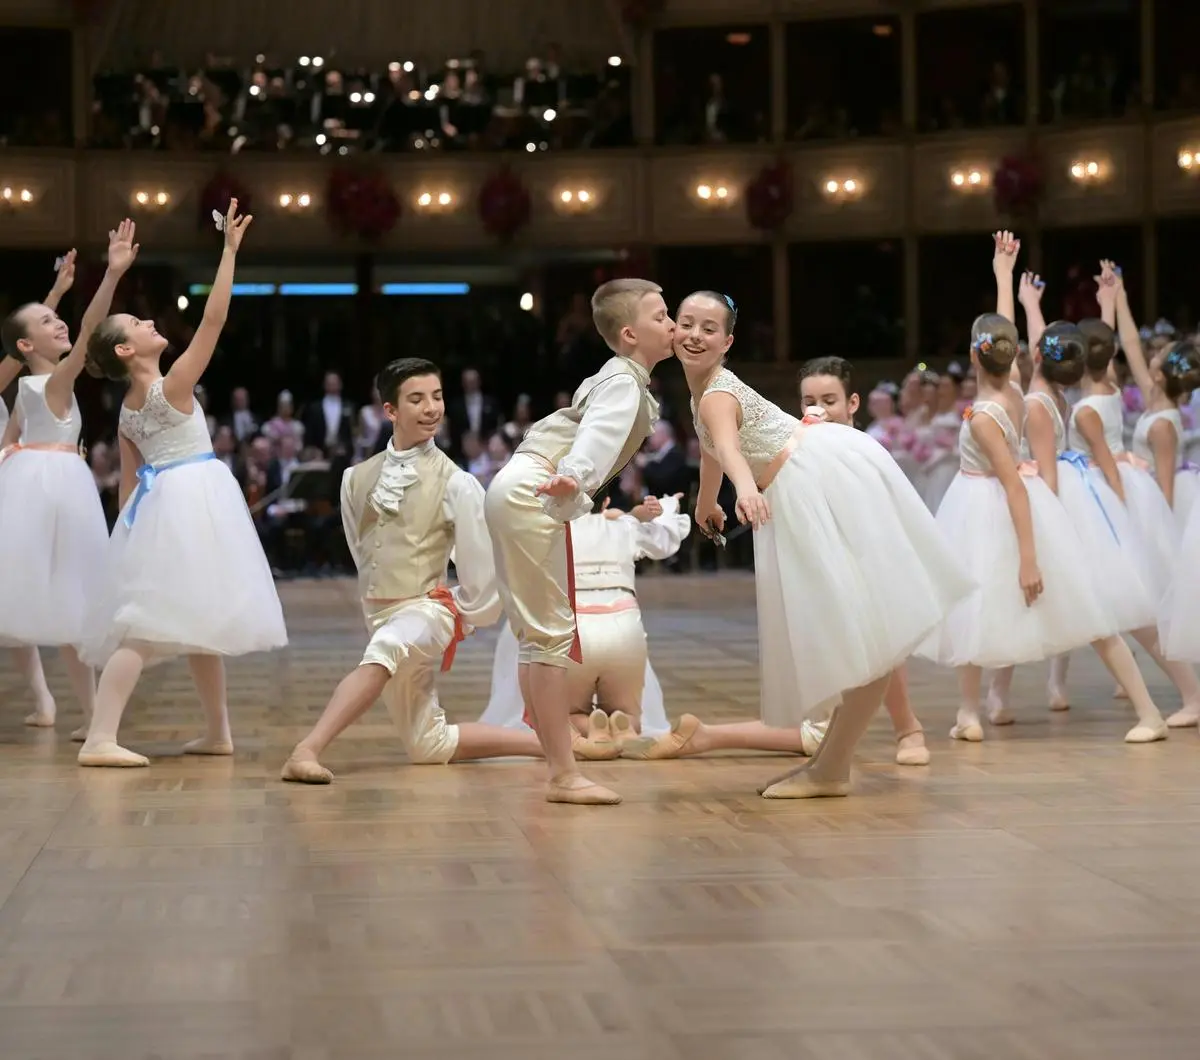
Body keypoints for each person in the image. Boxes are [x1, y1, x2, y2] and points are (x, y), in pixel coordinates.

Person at [680, 290, 972, 799]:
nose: (695, 335)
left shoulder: (714, 393)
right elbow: (712, 447)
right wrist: (708, 501)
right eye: (687, 323)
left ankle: (835, 765)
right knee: (857, 629)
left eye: (709, 328)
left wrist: (744, 488)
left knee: (858, 627)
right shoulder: (703, 393)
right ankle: (832, 764)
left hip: (809, 480)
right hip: (807, 478)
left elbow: (724, 442)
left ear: (727, 342)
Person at [77, 199, 287, 767]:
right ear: (126, 350)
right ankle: (100, 737)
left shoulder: (126, 410)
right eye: (138, 326)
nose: (150, 324)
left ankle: (218, 730)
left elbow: (126, 486)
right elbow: (214, 321)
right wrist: (228, 254)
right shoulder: (171, 387)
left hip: (163, 506)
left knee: (198, 620)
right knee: (146, 625)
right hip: (190, 500)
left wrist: (124, 541)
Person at [281, 358, 558, 783]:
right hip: (379, 610)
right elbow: (363, 550)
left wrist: (458, 613)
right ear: (390, 410)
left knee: (386, 648)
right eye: (417, 399)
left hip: (427, 610)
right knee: (427, 744)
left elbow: (480, 569)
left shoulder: (456, 482)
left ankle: (307, 749)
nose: (431, 407)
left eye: (437, 396)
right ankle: (550, 743)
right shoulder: (356, 478)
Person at [483, 278, 675, 805]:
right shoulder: (625, 383)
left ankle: (560, 765)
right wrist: (574, 477)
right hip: (537, 488)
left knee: (536, 638)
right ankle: (564, 775)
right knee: (549, 639)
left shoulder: (617, 376)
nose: (673, 324)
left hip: (521, 484)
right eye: (662, 316)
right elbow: (597, 438)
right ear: (631, 333)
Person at [0, 229, 138, 736]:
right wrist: (114, 273)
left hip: (35, 485)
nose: (57, 323)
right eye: (46, 321)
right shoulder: (53, 382)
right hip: (55, 491)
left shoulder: (29, 388)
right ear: (25, 345)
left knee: (64, 606)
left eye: (55, 316)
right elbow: (90, 331)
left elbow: (8, 445)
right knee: (74, 604)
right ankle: (93, 715)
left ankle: (88, 713)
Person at [795, 356, 930, 766]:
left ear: (852, 403)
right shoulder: (801, 447)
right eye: (809, 400)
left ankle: (908, 726)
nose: (818, 409)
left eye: (829, 400)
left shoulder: (868, 448)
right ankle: (834, 731)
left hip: (871, 555)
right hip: (821, 556)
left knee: (880, 644)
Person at [479, 490, 690, 744]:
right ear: (607, 502)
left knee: (566, 714)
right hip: (624, 627)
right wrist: (668, 507)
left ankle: (587, 725)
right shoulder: (624, 527)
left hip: (573, 632)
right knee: (631, 712)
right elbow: (665, 540)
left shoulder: (546, 531)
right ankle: (623, 725)